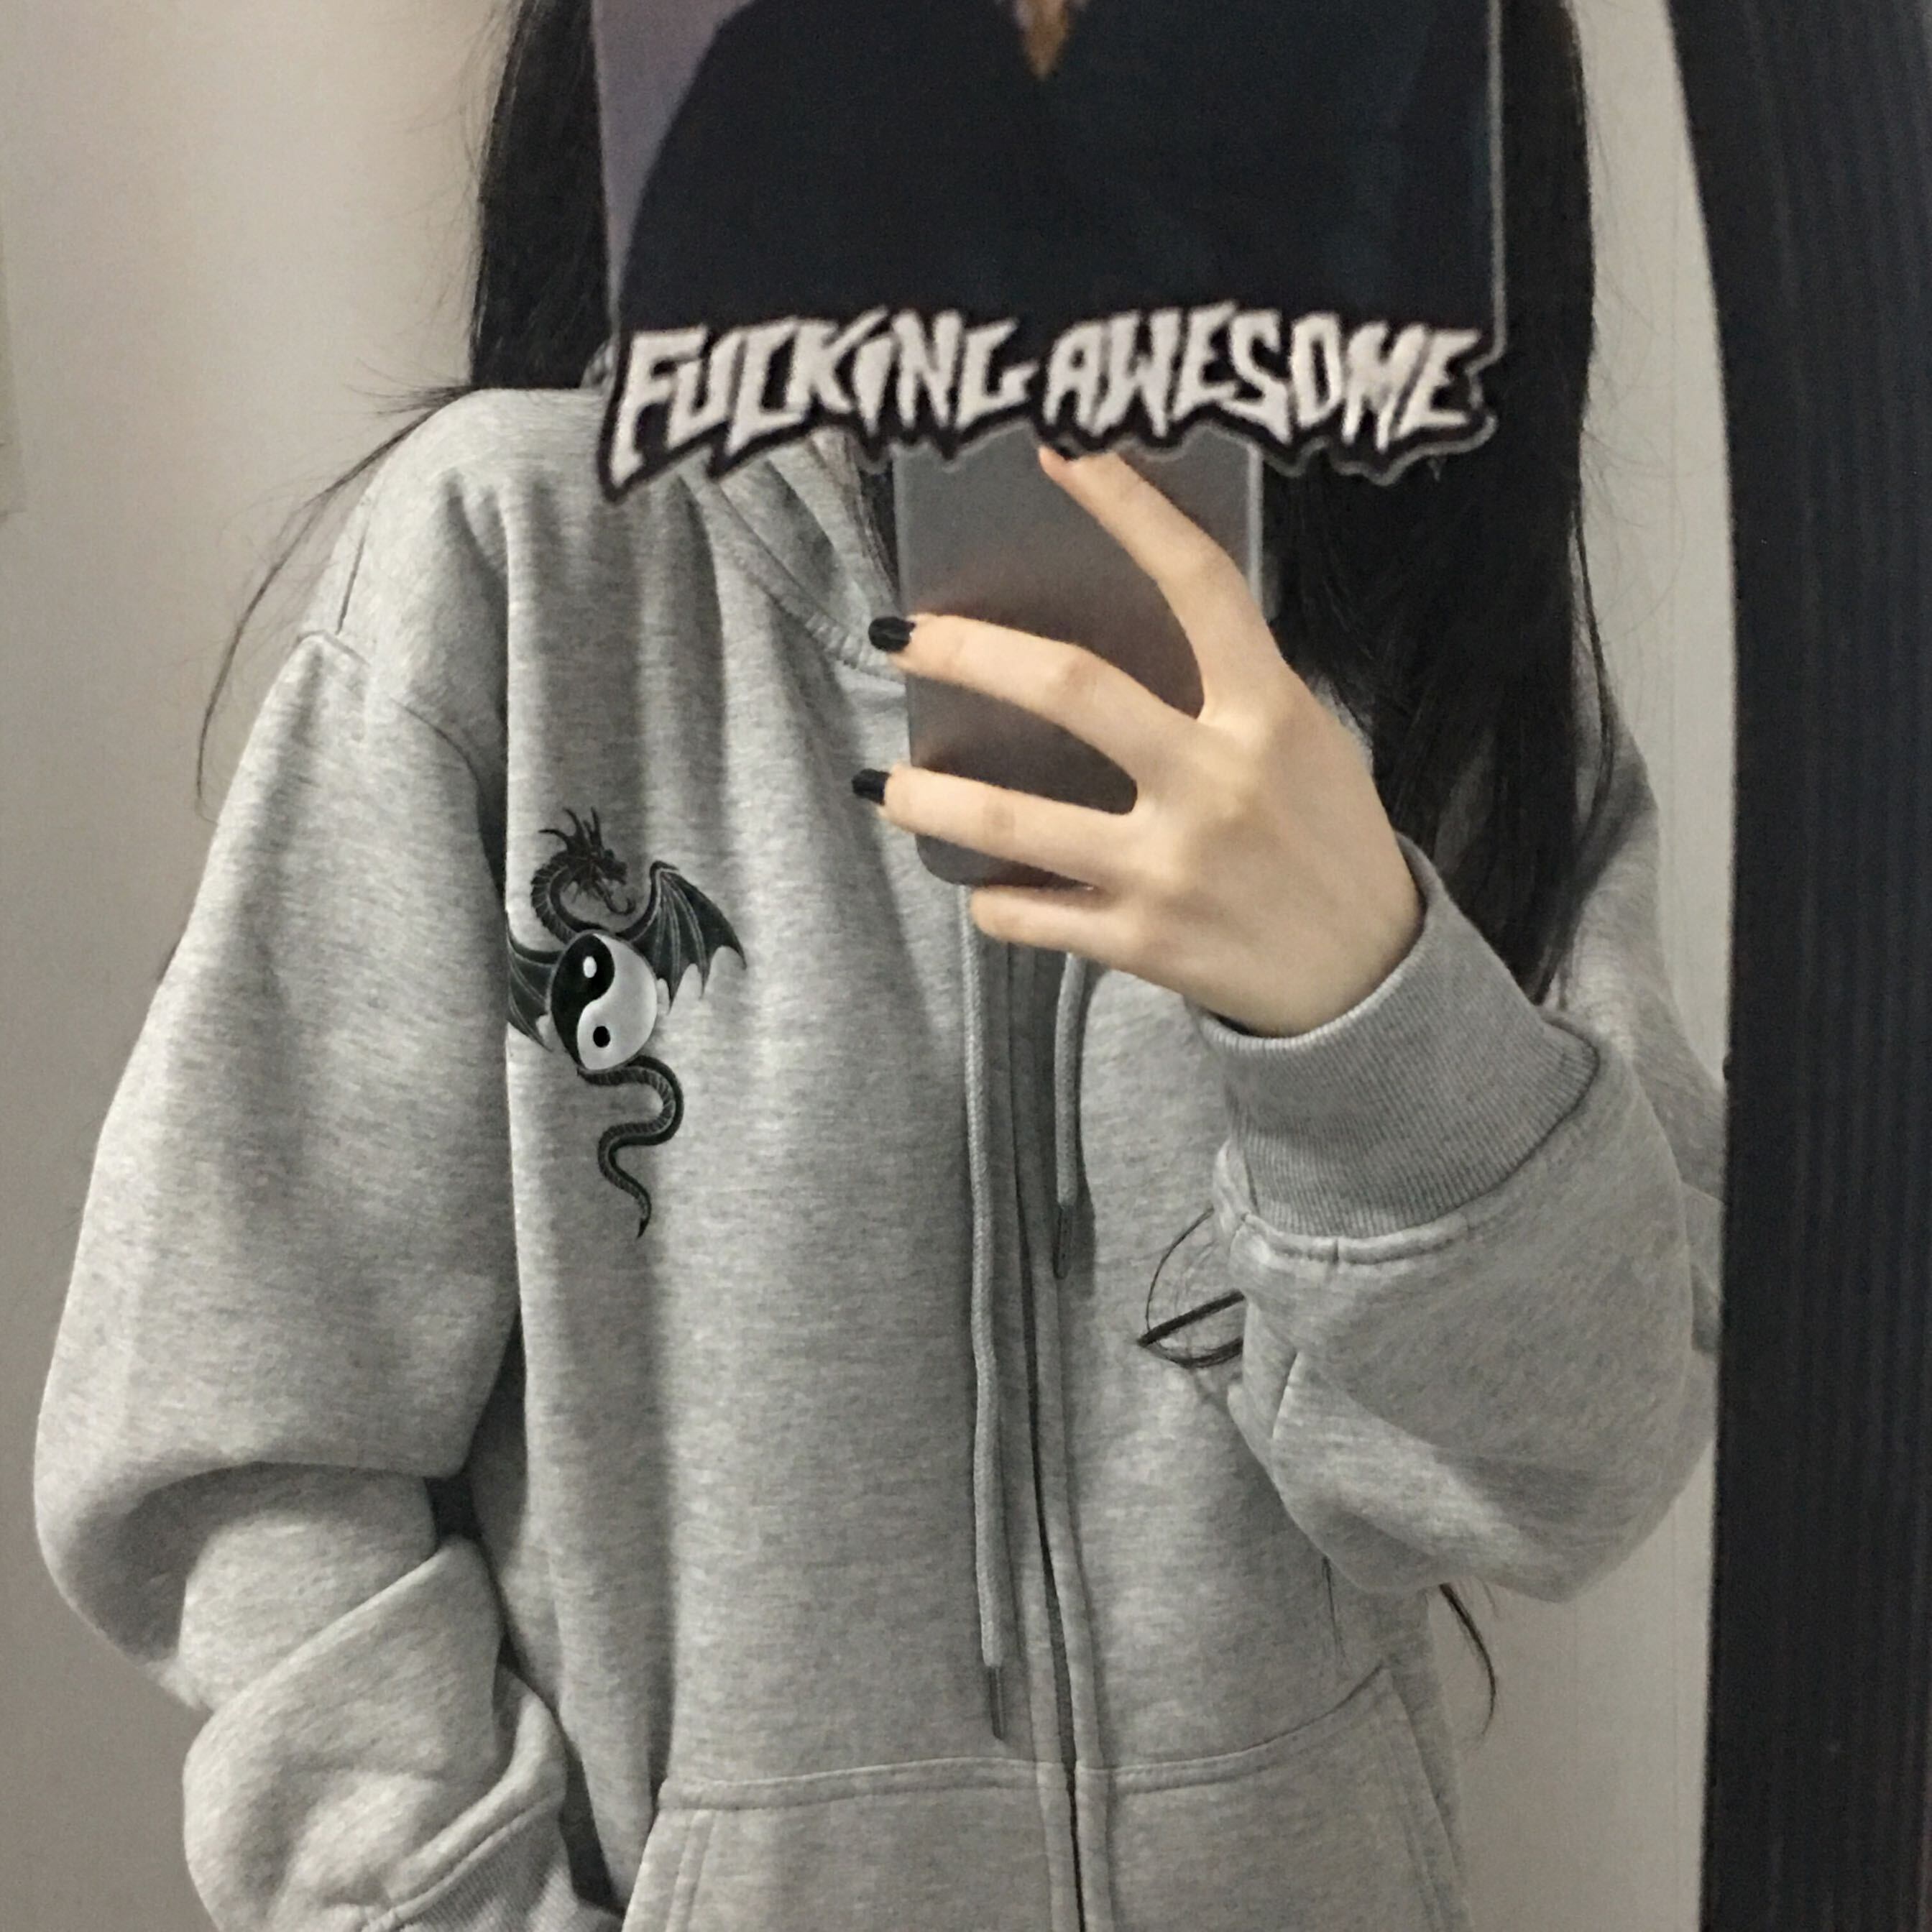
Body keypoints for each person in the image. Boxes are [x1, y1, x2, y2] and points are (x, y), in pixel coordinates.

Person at [32, 3, 1723, 1930]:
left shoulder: (1415, 626)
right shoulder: (521, 576)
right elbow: (246, 1451)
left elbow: (1573, 1466)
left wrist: (1366, 1006)